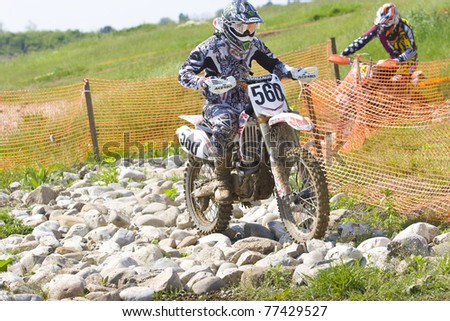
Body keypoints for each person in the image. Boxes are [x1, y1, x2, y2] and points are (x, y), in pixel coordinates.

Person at [178, 0, 308, 202]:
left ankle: (295, 169)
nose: (248, 33)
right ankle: (222, 179)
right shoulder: (209, 47)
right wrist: (205, 82)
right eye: (242, 27)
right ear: (229, 25)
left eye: (251, 27)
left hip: (250, 99)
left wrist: (292, 71)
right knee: (226, 123)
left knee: (282, 114)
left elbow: (273, 64)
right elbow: (184, 74)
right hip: (218, 105)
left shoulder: (254, 44)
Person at [341, 3, 418, 77]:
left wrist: (397, 60)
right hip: (391, 62)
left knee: (397, 82)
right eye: (381, 26)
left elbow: (412, 50)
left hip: (408, 61)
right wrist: (344, 53)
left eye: (386, 27)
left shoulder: (405, 28)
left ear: (394, 21)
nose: (383, 30)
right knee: (375, 77)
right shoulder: (379, 28)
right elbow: (362, 40)